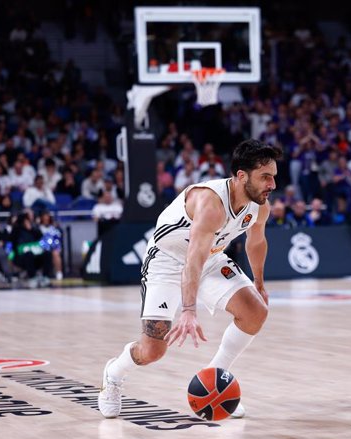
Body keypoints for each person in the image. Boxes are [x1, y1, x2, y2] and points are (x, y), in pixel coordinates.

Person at [98, 139, 281, 419]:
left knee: (255, 311)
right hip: (168, 261)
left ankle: (214, 383)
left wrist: (259, 283)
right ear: (241, 176)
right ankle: (113, 373)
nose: (272, 185)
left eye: (273, 177)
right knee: (152, 350)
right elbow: (192, 260)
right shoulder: (210, 203)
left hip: (211, 257)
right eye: (265, 177)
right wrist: (188, 310)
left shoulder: (260, 206)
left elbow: (256, 242)